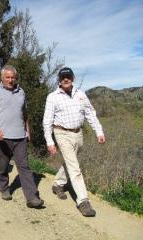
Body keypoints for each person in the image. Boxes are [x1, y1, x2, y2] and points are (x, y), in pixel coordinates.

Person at [43, 67, 106, 217]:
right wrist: (49, 141)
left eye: (68, 76)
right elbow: (47, 121)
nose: (66, 79)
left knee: (70, 162)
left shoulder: (81, 94)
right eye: (63, 77)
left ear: (73, 78)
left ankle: (58, 184)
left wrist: (99, 132)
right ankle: (83, 201)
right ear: (59, 79)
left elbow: (90, 114)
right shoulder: (53, 97)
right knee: (74, 167)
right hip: (61, 133)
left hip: (78, 134)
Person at [0, 65, 44, 208]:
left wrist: (28, 131)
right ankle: (4, 188)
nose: (11, 80)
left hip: (20, 137)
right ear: (2, 78)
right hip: (2, 138)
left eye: (13, 77)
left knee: (24, 166)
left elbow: (24, 114)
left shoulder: (21, 92)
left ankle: (32, 197)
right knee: (2, 166)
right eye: (8, 77)